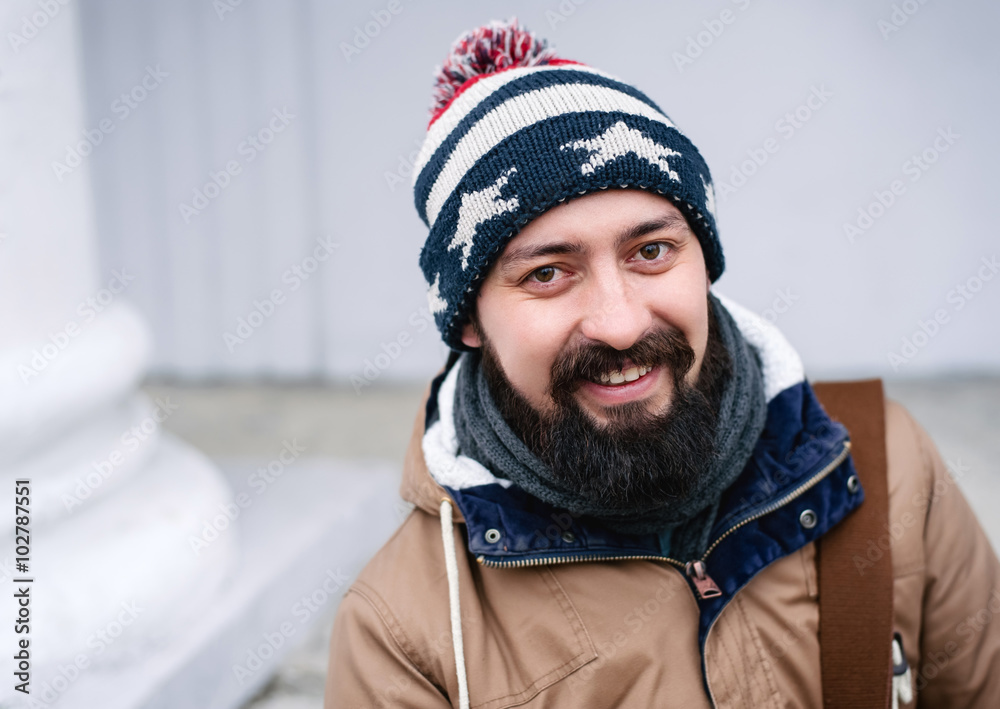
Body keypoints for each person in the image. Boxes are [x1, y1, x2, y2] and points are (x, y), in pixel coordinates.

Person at [324, 18, 1000, 708]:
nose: (620, 324)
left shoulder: (883, 466)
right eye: (548, 273)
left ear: (703, 261)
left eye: (650, 251)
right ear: (468, 320)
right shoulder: (403, 633)